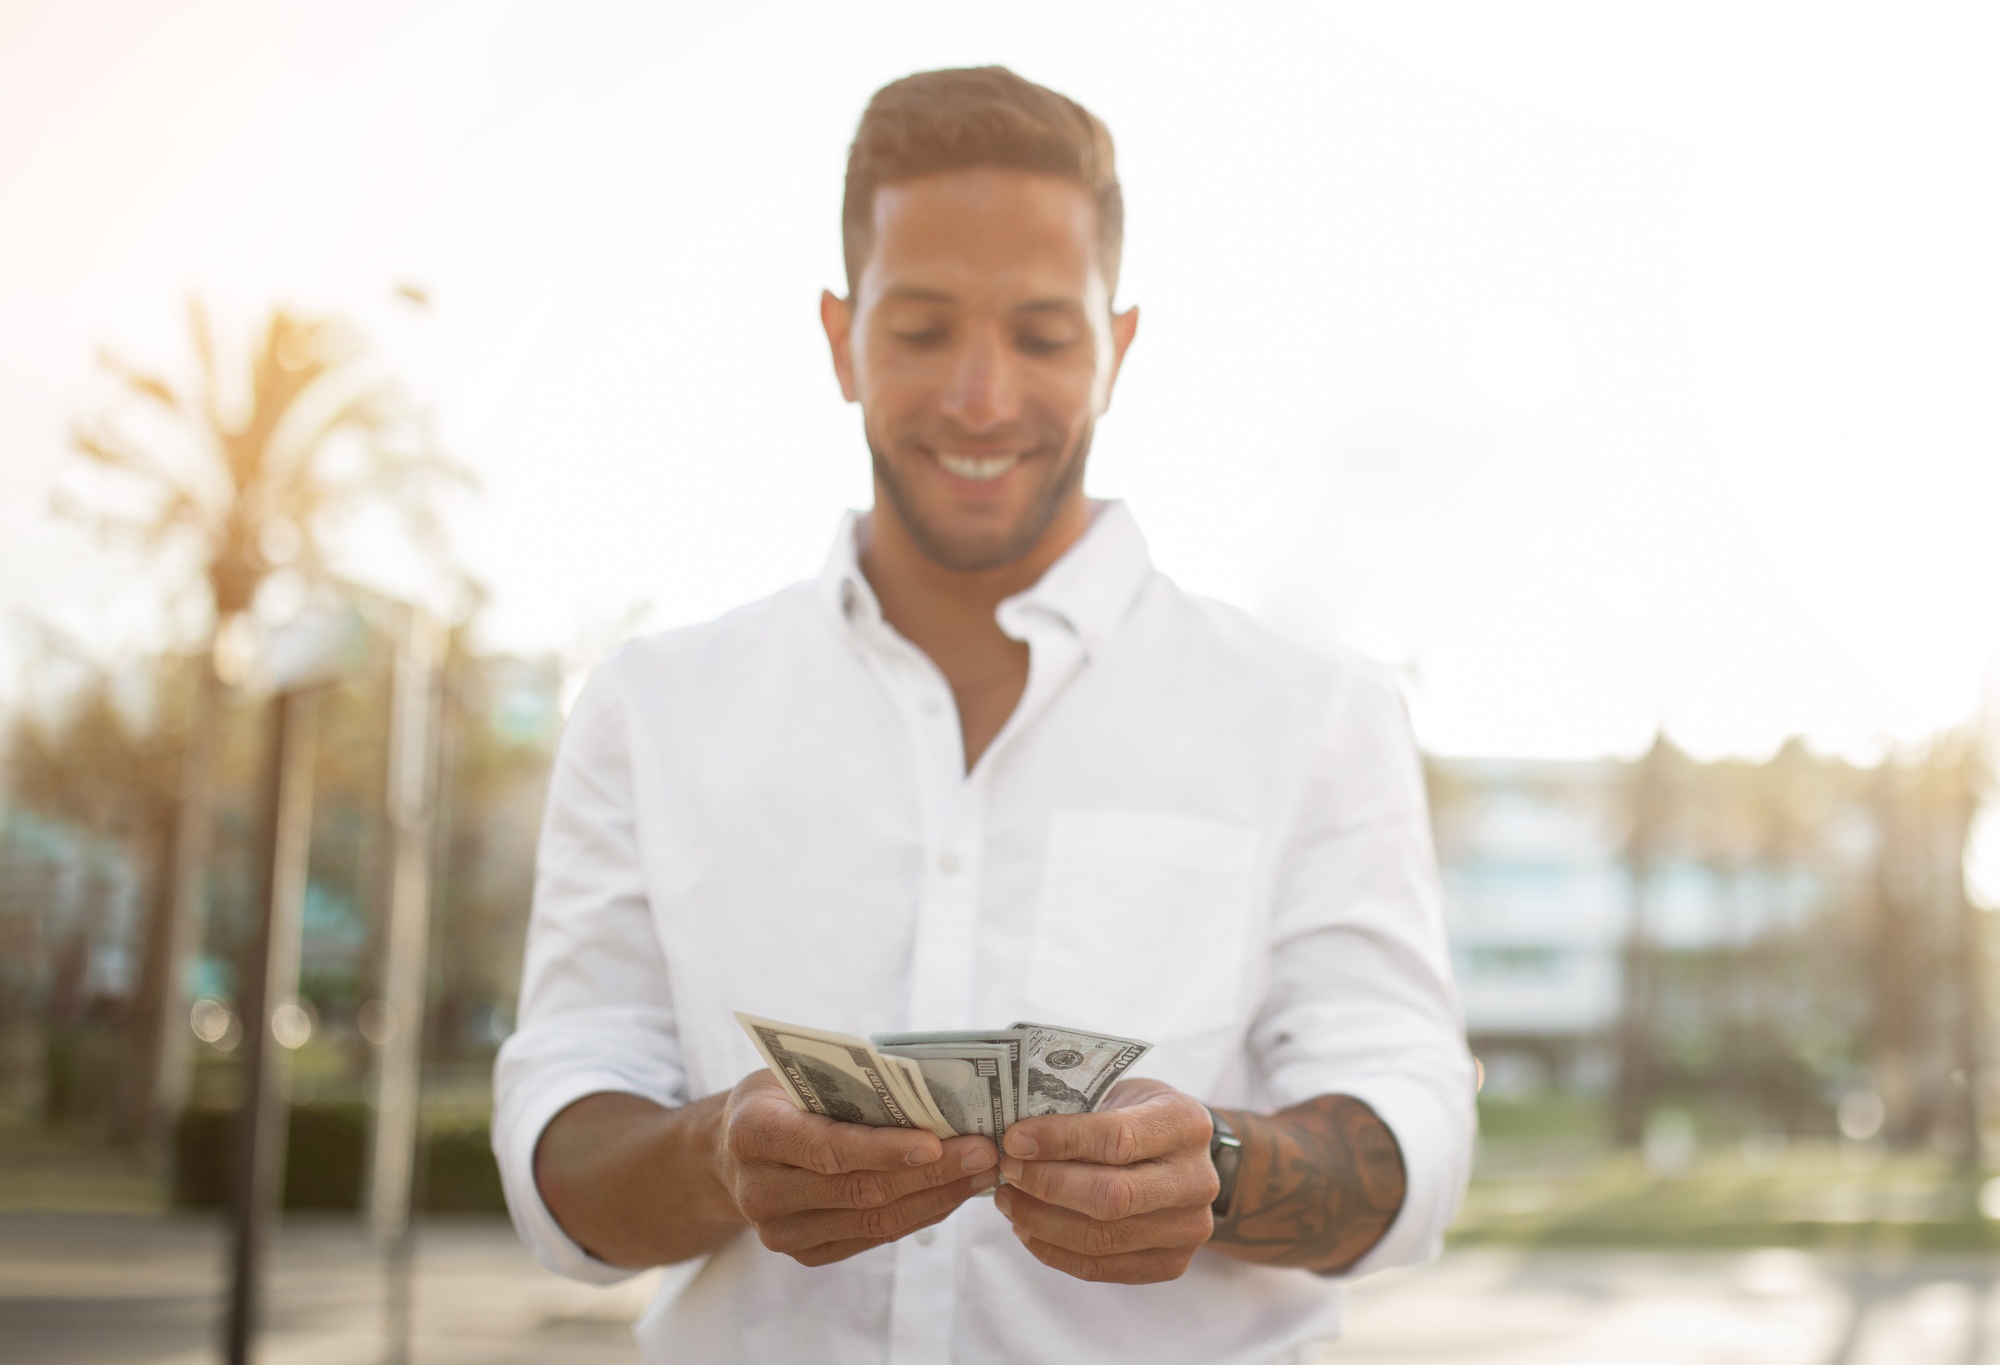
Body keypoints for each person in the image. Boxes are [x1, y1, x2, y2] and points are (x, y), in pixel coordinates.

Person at [493, 65, 1474, 1365]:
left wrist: (1224, 1166)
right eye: (921, 329)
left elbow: (1409, 1118)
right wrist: (716, 1158)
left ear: (1119, 349)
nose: (979, 395)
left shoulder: (1314, 713)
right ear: (840, 338)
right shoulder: (651, 709)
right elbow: (561, 1117)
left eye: (1041, 335)